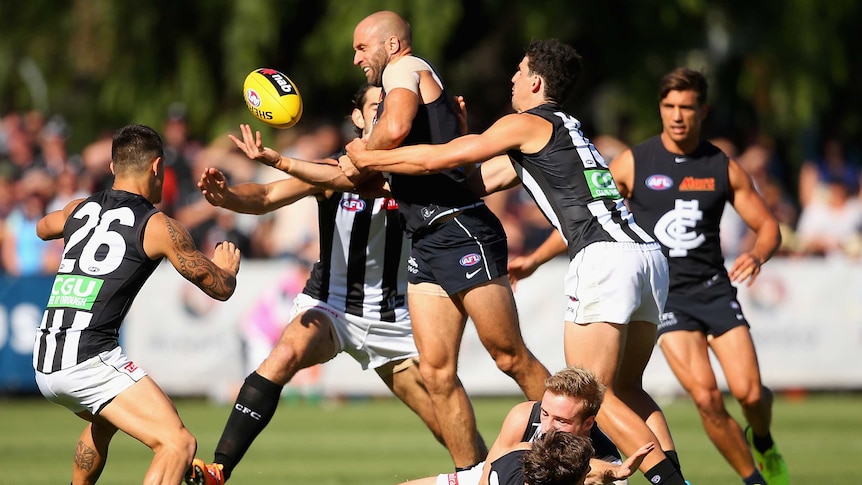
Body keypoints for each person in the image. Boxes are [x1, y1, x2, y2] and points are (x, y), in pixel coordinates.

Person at [344, 39, 688, 485]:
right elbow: (470, 182)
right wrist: (462, 131)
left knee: (593, 398)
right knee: (628, 391)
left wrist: (371, 156)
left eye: (519, 71)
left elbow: (439, 158)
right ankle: (679, 476)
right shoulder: (565, 127)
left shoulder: (525, 123)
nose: (512, 78)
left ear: (536, 82)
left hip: (602, 256)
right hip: (646, 255)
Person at [229, 10, 550, 471]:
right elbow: (349, 172)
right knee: (438, 376)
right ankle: (473, 476)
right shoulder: (406, 110)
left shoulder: (405, 67)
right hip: (426, 242)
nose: (356, 57)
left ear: (392, 45)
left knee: (508, 356)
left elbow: (393, 131)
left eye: (362, 47)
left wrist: (363, 152)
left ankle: (587, 448)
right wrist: (285, 161)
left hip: (457, 228)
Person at [184, 85, 447, 485]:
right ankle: (220, 468)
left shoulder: (417, 172)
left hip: (394, 320)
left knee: (449, 424)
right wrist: (228, 197)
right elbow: (269, 193)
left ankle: (493, 472)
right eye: (378, 106)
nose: (390, 112)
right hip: (331, 306)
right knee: (284, 354)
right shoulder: (330, 170)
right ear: (358, 118)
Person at [608, 67, 789, 485]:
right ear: (660, 108)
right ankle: (755, 480)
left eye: (686, 107)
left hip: (713, 291)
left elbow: (769, 227)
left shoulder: (721, 166)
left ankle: (761, 439)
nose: (677, 115)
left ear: (702, 110)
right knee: (707, 398)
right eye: (669, 106)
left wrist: (758, 254)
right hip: (666, 297)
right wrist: (537, 258)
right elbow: (589, 213)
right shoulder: (635, 161)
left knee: (751, 395)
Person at [32, 124, 241, 485]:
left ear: (113, 168)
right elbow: (219, 289)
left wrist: (71, 225)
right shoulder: (158, 225)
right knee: (178, 442)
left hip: (46, 359)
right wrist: (227, 269)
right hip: (87, 357)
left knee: (105, 419)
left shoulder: (78, 209)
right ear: (158, 167)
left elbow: (42, 228)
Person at [400, 366, 655, 485]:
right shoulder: (524, 416)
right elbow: (487, 478)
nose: (547, 427)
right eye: (545, 413)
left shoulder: (609, 464)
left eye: (561, 421)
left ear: (588, 422)